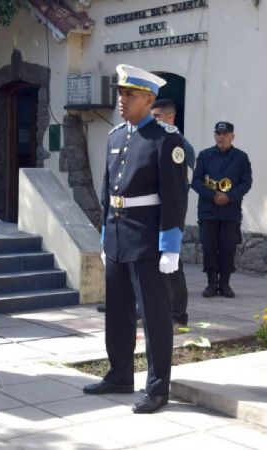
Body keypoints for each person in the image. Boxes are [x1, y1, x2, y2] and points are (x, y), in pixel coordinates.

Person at [83, 64, 188, 414]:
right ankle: (120, 374)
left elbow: (175, 197)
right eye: (120, 93)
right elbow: (106, 190)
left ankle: (158, 388)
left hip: (147, 240)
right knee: (118, 311)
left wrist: (170, 246)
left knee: (155, 316)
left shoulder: (166, 139)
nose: (122, 100)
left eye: (129, 94)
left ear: (148, 98)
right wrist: (103, 235)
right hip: (116, 236)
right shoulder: (115, 136)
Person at [191, 121, 252, 298]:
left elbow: (246, 183)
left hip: (230, 212)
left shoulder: (241, 157)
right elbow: (196, 181)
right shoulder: (204, 156)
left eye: (225, 134)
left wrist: (229, 196)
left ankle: (224, 284)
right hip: (208, 211)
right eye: (218, 133)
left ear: (232, 136)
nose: (221, 137)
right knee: (209, 249)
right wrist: (213, 195)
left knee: (227, 249)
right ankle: (211, 284)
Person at [152, 98, 195, 327]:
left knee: (173, 267)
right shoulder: (154, 139)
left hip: (170, 214)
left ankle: (179, 314)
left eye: (157, 116)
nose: (153, 120)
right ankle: (147, 309)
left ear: (170, 117)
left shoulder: (180, 144)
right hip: (151, 214)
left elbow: (179, 185)